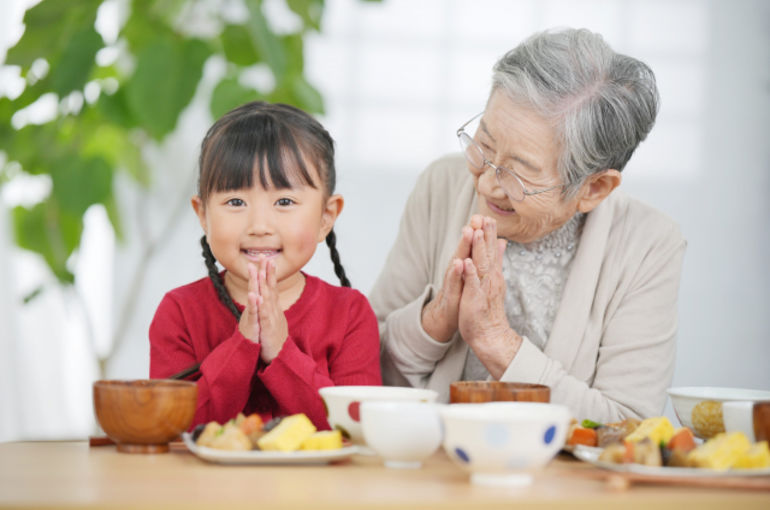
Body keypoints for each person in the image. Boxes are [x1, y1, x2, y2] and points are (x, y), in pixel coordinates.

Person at [369, 28, 686, 423]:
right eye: (483, 146)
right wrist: (436, 319)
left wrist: (495, 341)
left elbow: (625, 423)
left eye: (517, 175)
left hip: (564, 483)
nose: (484, 184)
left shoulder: (649, 244)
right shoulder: (442, 186)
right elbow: (363, 368)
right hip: (432, 465)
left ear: (594, 187)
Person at [150, 101, 382, 430]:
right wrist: (243, 344)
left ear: (326, 217)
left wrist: (281, 351)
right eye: (235, 202)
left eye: (284, 202)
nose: (259, 225)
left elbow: (359, 427)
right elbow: (172, 425)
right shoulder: (179, 313)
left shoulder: (350, 314)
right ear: (203, 215)